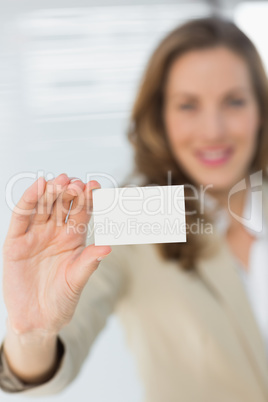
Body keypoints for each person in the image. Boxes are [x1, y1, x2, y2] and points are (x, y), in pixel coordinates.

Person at [0, 15, 268, 402]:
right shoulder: (136, 214)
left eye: (234, 101)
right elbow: (58, 359)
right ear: (160, 116)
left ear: (261, 110)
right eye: (188, 105)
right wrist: (31, 332)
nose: (213, 129)